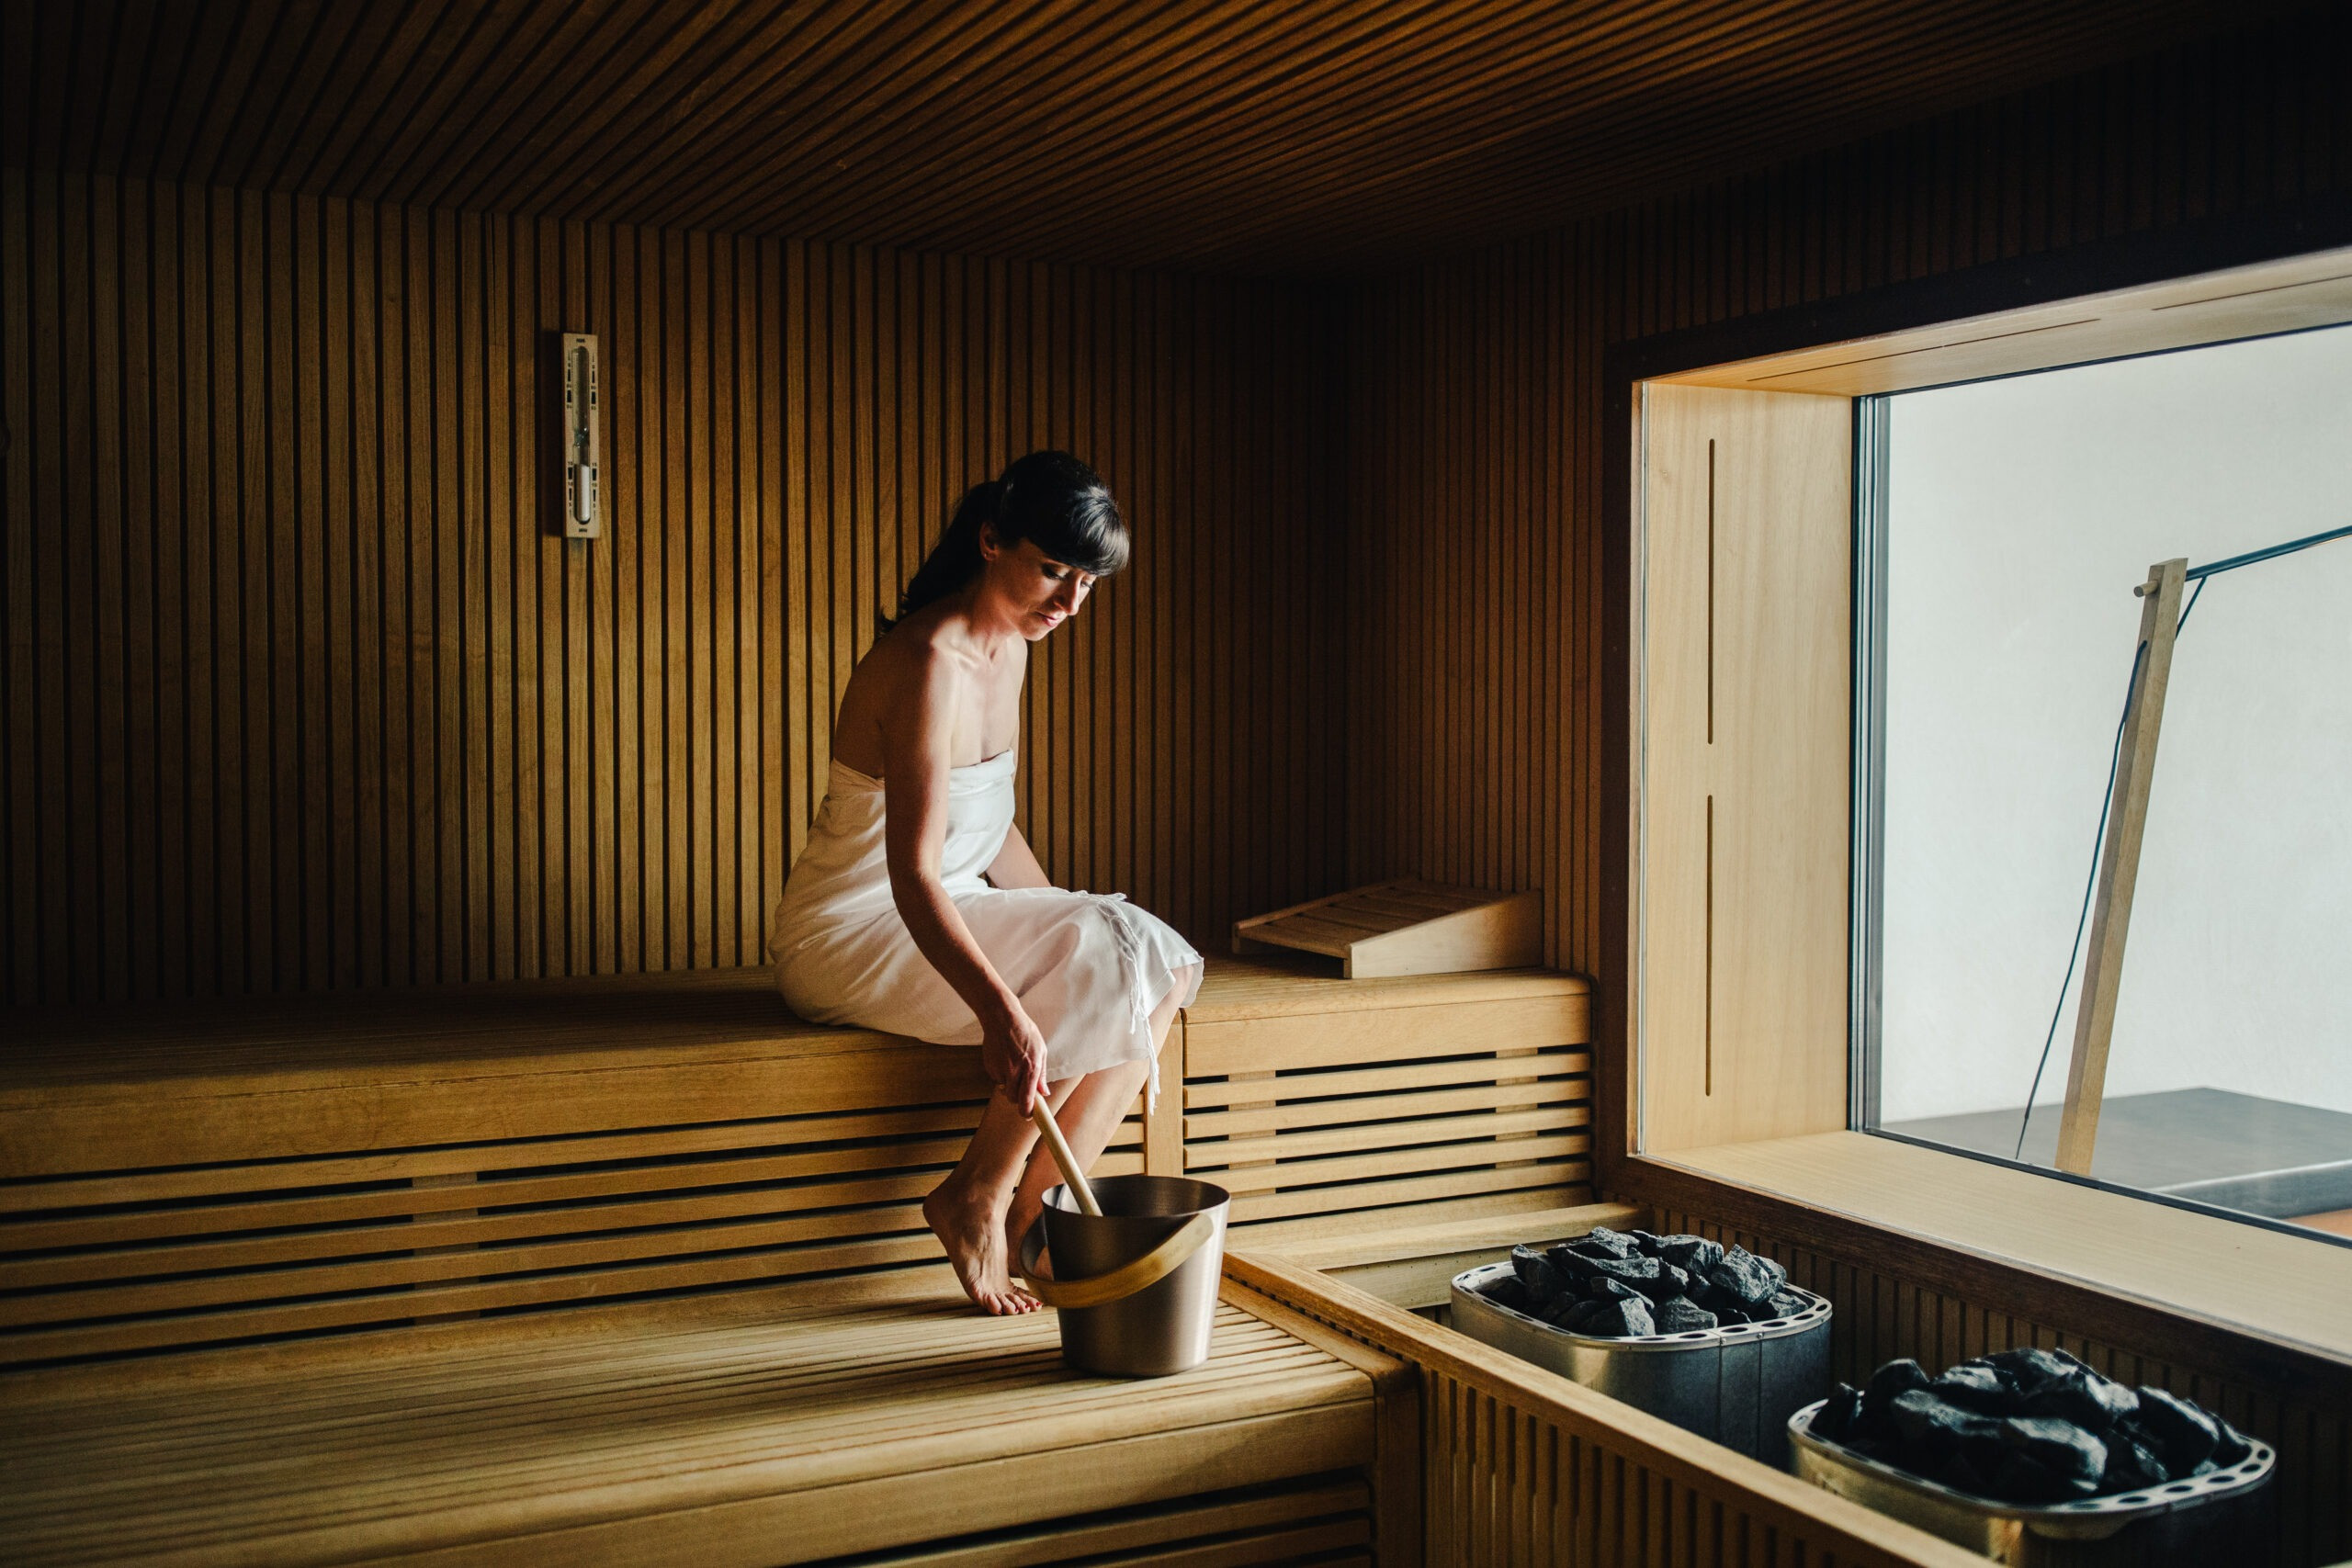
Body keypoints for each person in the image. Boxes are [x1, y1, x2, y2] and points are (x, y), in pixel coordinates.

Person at [771, 451, 1204, 1315]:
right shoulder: (929, 658)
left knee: (1164, 961)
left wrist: (1067, 920)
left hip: (943, 899)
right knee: (1104, 951)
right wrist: (1009, 1005)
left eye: (1087, 582)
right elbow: (913, 871)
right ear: (991, 541)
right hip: (852, 928)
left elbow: (989, 822)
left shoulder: (1011, 645)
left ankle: (1029, 1220)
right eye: (1052, 570)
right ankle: (978, 1191)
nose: (1070, 603)